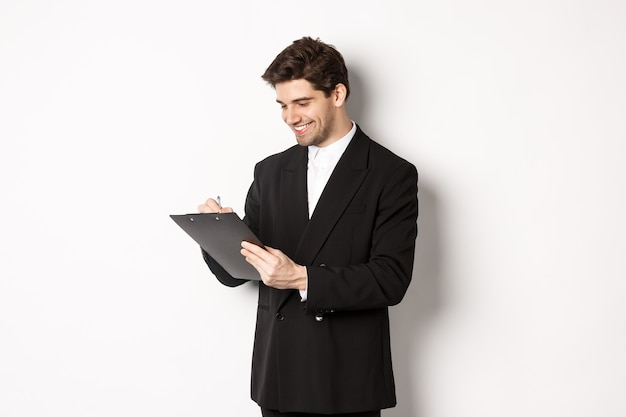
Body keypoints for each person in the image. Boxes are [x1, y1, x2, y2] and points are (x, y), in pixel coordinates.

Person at [197, 36, 418, 417]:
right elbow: (238, 274)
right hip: (279, 376)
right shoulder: (269, 171)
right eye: (283, 105)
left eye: (302, 103)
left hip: (346, 380)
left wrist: (301, 279)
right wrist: (217, 234)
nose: (290, 117)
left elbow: (391, 278)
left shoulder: (390, 174)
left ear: (337, 94)